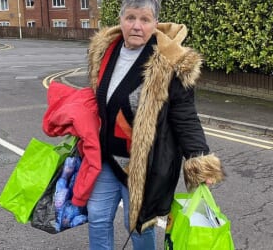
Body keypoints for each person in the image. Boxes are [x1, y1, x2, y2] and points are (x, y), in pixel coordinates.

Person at [86, 0, 225, 249]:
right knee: (97, 218)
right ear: (121, 20)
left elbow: (185, 116)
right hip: (105, 157)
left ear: (155, 23)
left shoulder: (170, 62)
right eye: (130, 18)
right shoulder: (105, 50)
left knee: (140, 227)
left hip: (143, 165)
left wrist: (199, 160)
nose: (136, 26)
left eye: (145, 19)